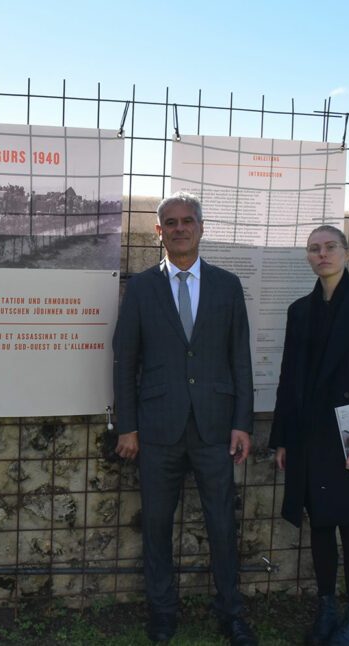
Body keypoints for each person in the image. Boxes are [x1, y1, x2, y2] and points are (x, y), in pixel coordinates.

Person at [112, 192, 256, 646]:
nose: (179, 228)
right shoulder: (140, 288)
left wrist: (242, 422)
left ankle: (231, 613)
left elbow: (241, 360)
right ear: (159, 231)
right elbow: (124, 360)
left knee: (222, 526)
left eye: (187, 221)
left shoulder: (227, 285)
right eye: (169, 223)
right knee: (155, 526)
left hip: (215, 428)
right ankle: (162, 613)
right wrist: (127, 426)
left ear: (200, 227)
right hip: (157, 430)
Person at [270, 225, 349, 646]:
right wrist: (284, 439)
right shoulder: (299, 311)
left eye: (329, 247)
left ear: (346, 252)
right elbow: (289, 381)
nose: (322, 254)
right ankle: (326, 609)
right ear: (308, 256)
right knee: (321, 525)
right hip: (310, 437)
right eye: (314, 249)